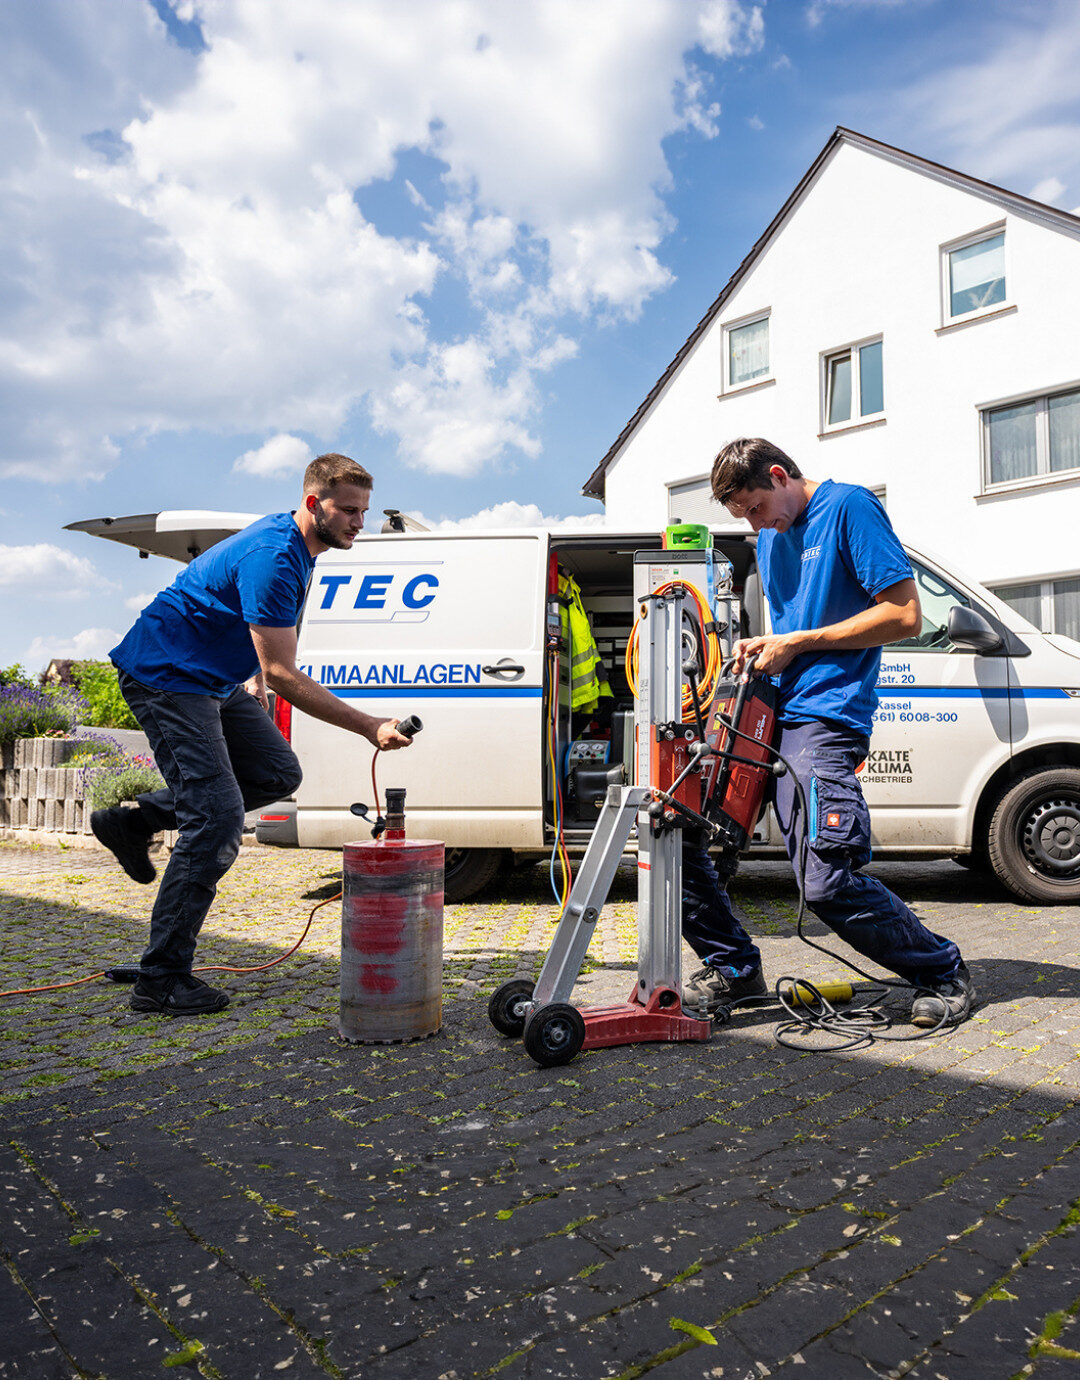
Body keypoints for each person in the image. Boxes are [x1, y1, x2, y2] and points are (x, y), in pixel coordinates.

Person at [95, 452, 412, 1017]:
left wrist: (253, 674)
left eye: (363, 511)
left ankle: (135, 821)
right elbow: (284, 672)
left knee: (276, 773)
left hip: (211, 679)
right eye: (349, 510)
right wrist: (368, 725)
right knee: (216, 821)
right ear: (314, 503)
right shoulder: (274, 556)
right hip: (166, 676)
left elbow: (254, 632)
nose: (359, 522)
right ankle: (161, 978)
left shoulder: (302, 551)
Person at [681, 437, 974, 1027]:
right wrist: (764, 650)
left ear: (780, 475)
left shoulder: (849, 507)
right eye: (743, 516)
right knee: (678, 835)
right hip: (767, 711)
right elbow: (791, 628)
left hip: (825, 714)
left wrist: (798, 642)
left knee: (826, 882)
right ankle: (734, 968)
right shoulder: (770, 538)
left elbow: (904, 615)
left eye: (756, 508)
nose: (756, 523)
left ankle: (941, 971)